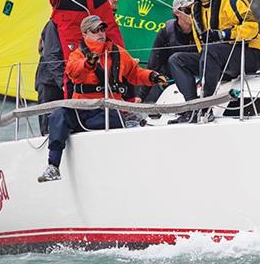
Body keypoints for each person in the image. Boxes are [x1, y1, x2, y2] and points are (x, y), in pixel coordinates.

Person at [38, 15, 168, 182]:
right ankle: (53, 165)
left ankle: (105, 133)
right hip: (83, 109)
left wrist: (153, 76)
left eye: (102, 29)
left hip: (108, 109)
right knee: (58, 115)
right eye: (95, 30)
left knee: (113, 117)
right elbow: (73, 72)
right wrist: (88, 63)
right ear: (85, 34)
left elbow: (135, 73)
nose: (100, 33)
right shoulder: (76, 55)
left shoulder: (118, 52)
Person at [166, 0, 260, 124]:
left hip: (249, 54)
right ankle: (192, 108)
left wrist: (223, 34)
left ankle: (205, 107)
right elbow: (201, 47)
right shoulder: (194, 11)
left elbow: (253, 28)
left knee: (211, 50)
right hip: (216, 58)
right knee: (176, 59)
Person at [135, 0, 198, 103]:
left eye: (195, 9)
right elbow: (154, 64)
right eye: (188, 10)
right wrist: (141, 96)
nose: (192, 14)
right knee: (173, 60)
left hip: (198, 73)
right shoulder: (167, 31)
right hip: (173, 78)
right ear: (177, 13)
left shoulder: (202, 28)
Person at [34, 20, 64, 136]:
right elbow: (51, 55)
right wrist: (62, 82)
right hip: (49, 82)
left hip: (59, 80)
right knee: (47, 128)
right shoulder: (53, 25)